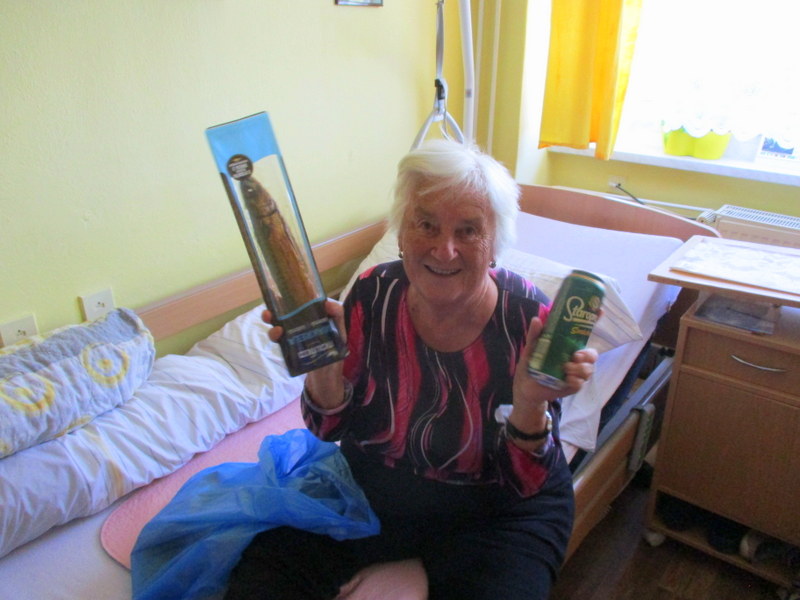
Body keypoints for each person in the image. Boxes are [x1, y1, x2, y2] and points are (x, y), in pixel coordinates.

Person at [224, 139, 598, 600]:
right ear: (401, 231)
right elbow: (328, 430)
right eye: (426, 224)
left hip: (496, 512)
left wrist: (529, 402)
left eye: (468, 230)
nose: (444, 250)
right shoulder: (371, 294)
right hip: (377, 497)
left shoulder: (527, 317)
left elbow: (527, 479)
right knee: (263, 576)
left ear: (495, 243)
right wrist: (326, 370)